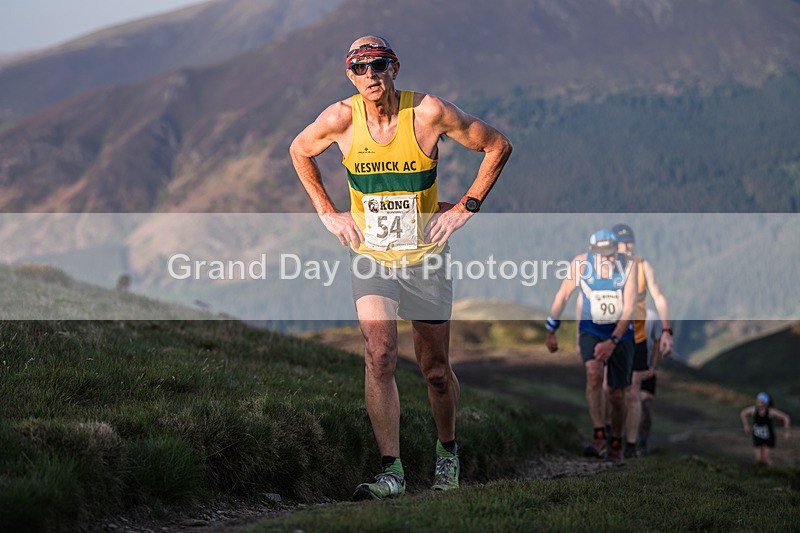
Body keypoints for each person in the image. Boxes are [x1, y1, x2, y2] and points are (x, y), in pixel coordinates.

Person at [289, 35, 512, 500]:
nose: (370, 75)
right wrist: (327, 212)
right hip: (372, 256)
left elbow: (497, 146)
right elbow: (299, 150)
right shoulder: (341, 119)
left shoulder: (428, 113)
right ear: (349, 75)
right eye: (360, 68)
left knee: (434, 368)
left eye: (379, 65)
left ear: (395, 68)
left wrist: (465, 207)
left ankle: (447, 453)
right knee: (380, 354)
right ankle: (391, 471)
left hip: (425, 256)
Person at [545, 230, 638, 463]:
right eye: (604, 255)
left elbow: (629, 310)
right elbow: (562, 296)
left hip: (621, 335)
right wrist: (551, 329)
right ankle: (598, 435)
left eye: (612, 254)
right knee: (594, 374)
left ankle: (616, 439)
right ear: (592, 253)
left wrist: (613, 342)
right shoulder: (581, 264)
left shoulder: (629, 266)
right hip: (591, 330)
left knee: (617, 395)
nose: (609, 259)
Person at [611, 223, 673, 458]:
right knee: (612, 389)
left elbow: (658, 295)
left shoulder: (643, 266)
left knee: (633, 391)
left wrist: (666, 329)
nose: (626, 248)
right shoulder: (608, 266)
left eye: (629, 244)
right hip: (612, 333)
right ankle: (612, 435)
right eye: (621, 244)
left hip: (636, 335)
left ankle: (631, 444)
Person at [637, 308, 666, 456]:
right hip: (628, 368)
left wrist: (653, 366)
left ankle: (642, 442)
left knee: (645, 405)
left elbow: (657, 342)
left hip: (647, 368)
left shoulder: (652, 316)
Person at [740, 392, 791, 465]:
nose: (758, 402)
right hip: (757, 435)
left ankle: (772, 473)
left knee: (766, 458)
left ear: (765, 402)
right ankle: (760, 474)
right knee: (758, 459)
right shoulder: (754, 410)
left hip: (768, 436)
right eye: (757, 400)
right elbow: (743, 413)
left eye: (760, 401)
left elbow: (786, 418)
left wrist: (786, 431)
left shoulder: (770, 411)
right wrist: (746, 425)